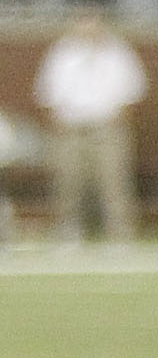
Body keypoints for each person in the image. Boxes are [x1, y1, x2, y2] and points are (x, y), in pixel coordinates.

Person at [36, 14, 145, 243]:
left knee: (114, 182)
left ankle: (120, 234)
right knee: (68, 182)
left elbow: (133, 92)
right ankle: (68, 232)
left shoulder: (118, 53)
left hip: (107, 126)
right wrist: (60, 124)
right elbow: (47, 94)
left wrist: (117, 120)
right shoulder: (62, 53)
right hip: (72, 127)